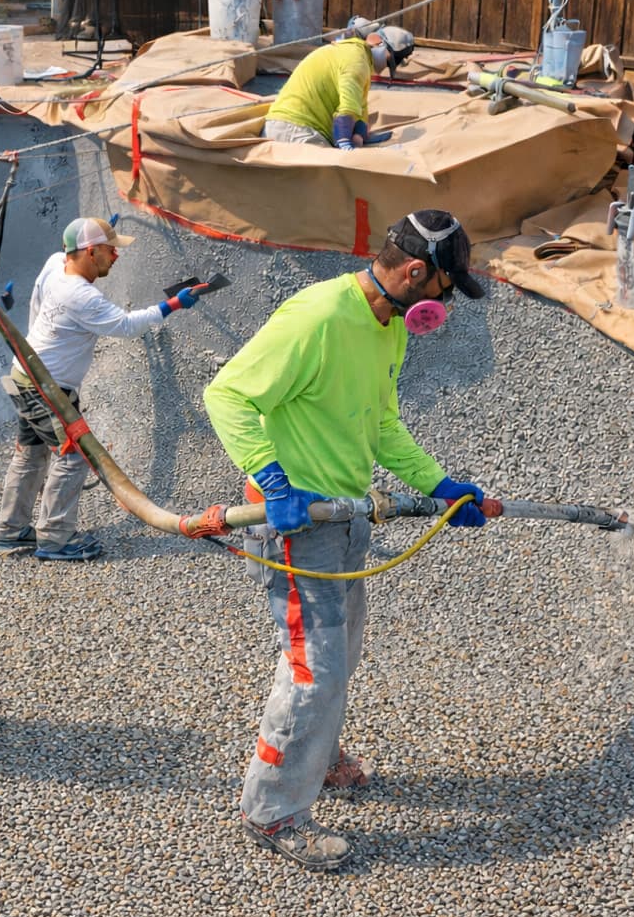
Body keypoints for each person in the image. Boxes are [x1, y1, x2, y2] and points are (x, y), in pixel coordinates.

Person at [202, 210, 487, 871]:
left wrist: (439, 484)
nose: (446, 301)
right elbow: (227, 396)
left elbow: (381, 424)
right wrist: (273, 482)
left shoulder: (385, 325)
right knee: (313, 668)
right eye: (446, 287)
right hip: (298, 523)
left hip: (343, 515)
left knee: (340, 651)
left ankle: (318, 755)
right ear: (416, 272)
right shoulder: (318, 319)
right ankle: (271, 811)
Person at [0, 216, 200, 563]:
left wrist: (102, 229)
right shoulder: (83, 296)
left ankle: (11, 529)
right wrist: (172, 305)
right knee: (74, 455)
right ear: (89, 252)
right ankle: (56, 539)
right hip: (48, 388)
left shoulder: (56, 263)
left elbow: (41, 295)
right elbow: (125, 325)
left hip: (25, 373)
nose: (116, 257)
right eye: (110, 250)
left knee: (31, 454)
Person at [262, 21, 415, 150]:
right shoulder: (356, 61)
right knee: (332, 179)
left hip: (286, 126)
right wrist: (344, 141)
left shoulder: (354, 56)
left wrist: (360, 134)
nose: (385, 66)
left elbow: (359, 107)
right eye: (389, 61)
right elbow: (348, 108)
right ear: (377, 41)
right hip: (296, 129)